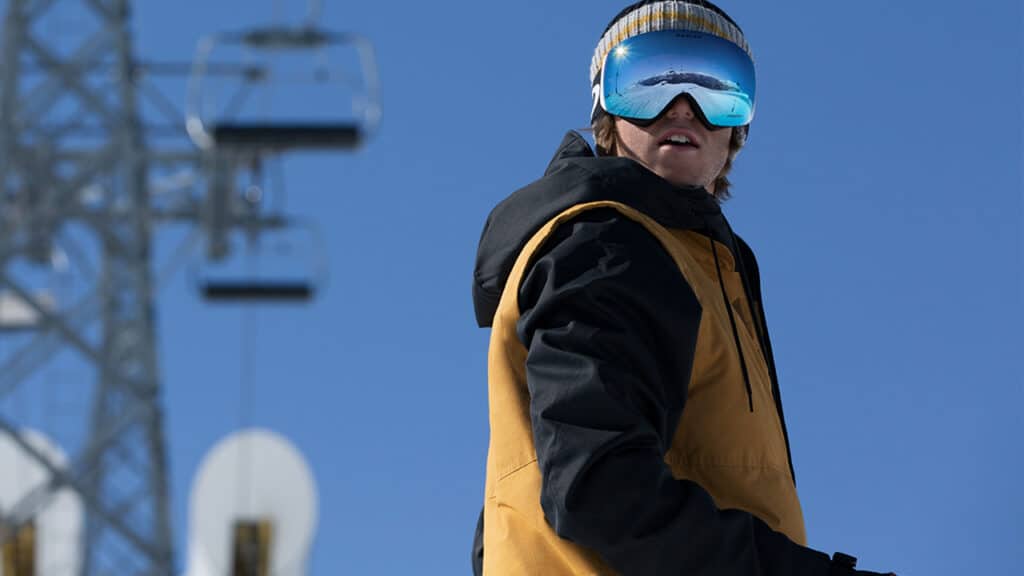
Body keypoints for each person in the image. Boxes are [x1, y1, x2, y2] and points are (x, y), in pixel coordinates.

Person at [471, 1, 895, 575]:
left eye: (717, 89)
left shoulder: (706, 266)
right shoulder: (606, 242)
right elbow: (599, 490)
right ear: (604, 112)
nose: (682, 108)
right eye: (647, 81)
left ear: (737, 129)